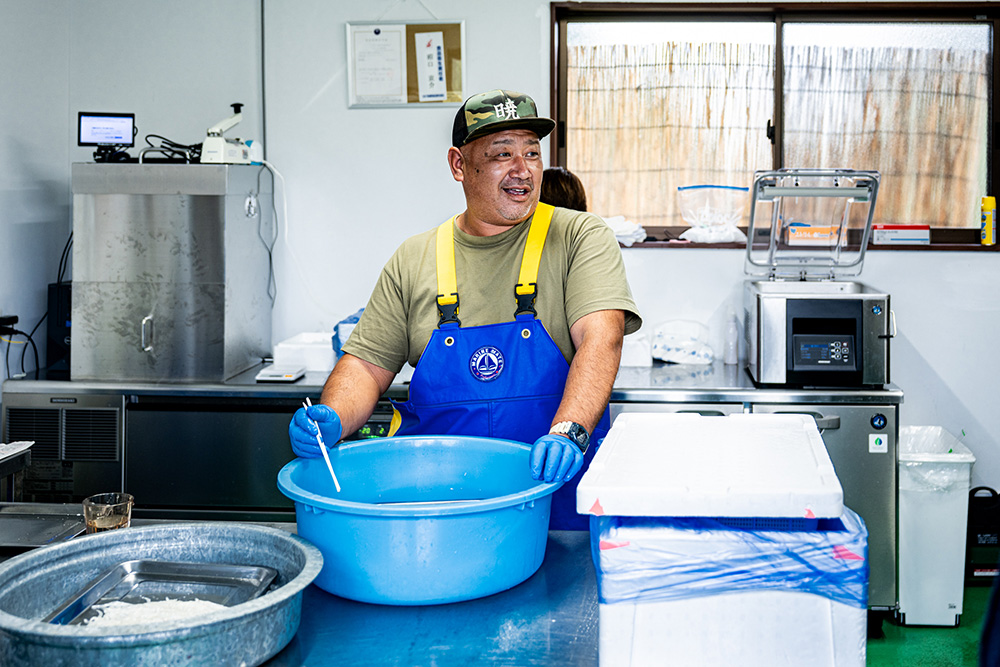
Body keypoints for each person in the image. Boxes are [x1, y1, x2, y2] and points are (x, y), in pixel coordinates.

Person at [288, 89, 641, 529]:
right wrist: (333, 418)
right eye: (502, 154)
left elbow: (600, 338)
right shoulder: (414, 257)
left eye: (532, 153)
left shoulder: (578, 236)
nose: (522, 170)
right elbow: (365, 365)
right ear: (459, 165)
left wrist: (568, 430)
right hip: (441, 509)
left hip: (555, 498)